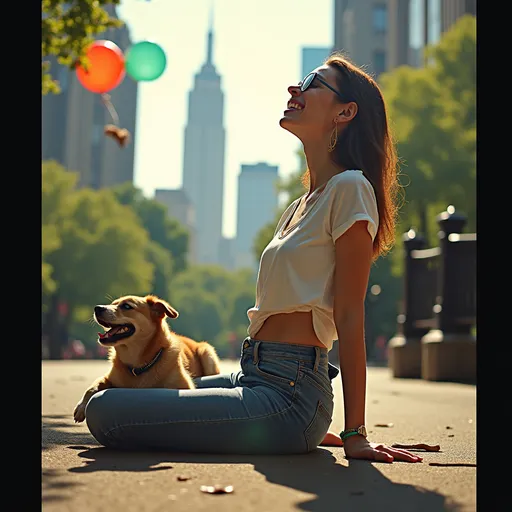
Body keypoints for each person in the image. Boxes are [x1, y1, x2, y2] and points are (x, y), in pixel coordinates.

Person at [85, 53, 421, 464]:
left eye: (314, 82)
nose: (295, 89)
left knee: (106, 412)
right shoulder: (299, 206)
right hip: (256, 375)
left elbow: (350, 315)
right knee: (117, 390)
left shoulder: (350, 188)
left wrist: (356, 434)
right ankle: (298, 421)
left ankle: (302, 421)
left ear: (345, 112)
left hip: (290, 393)